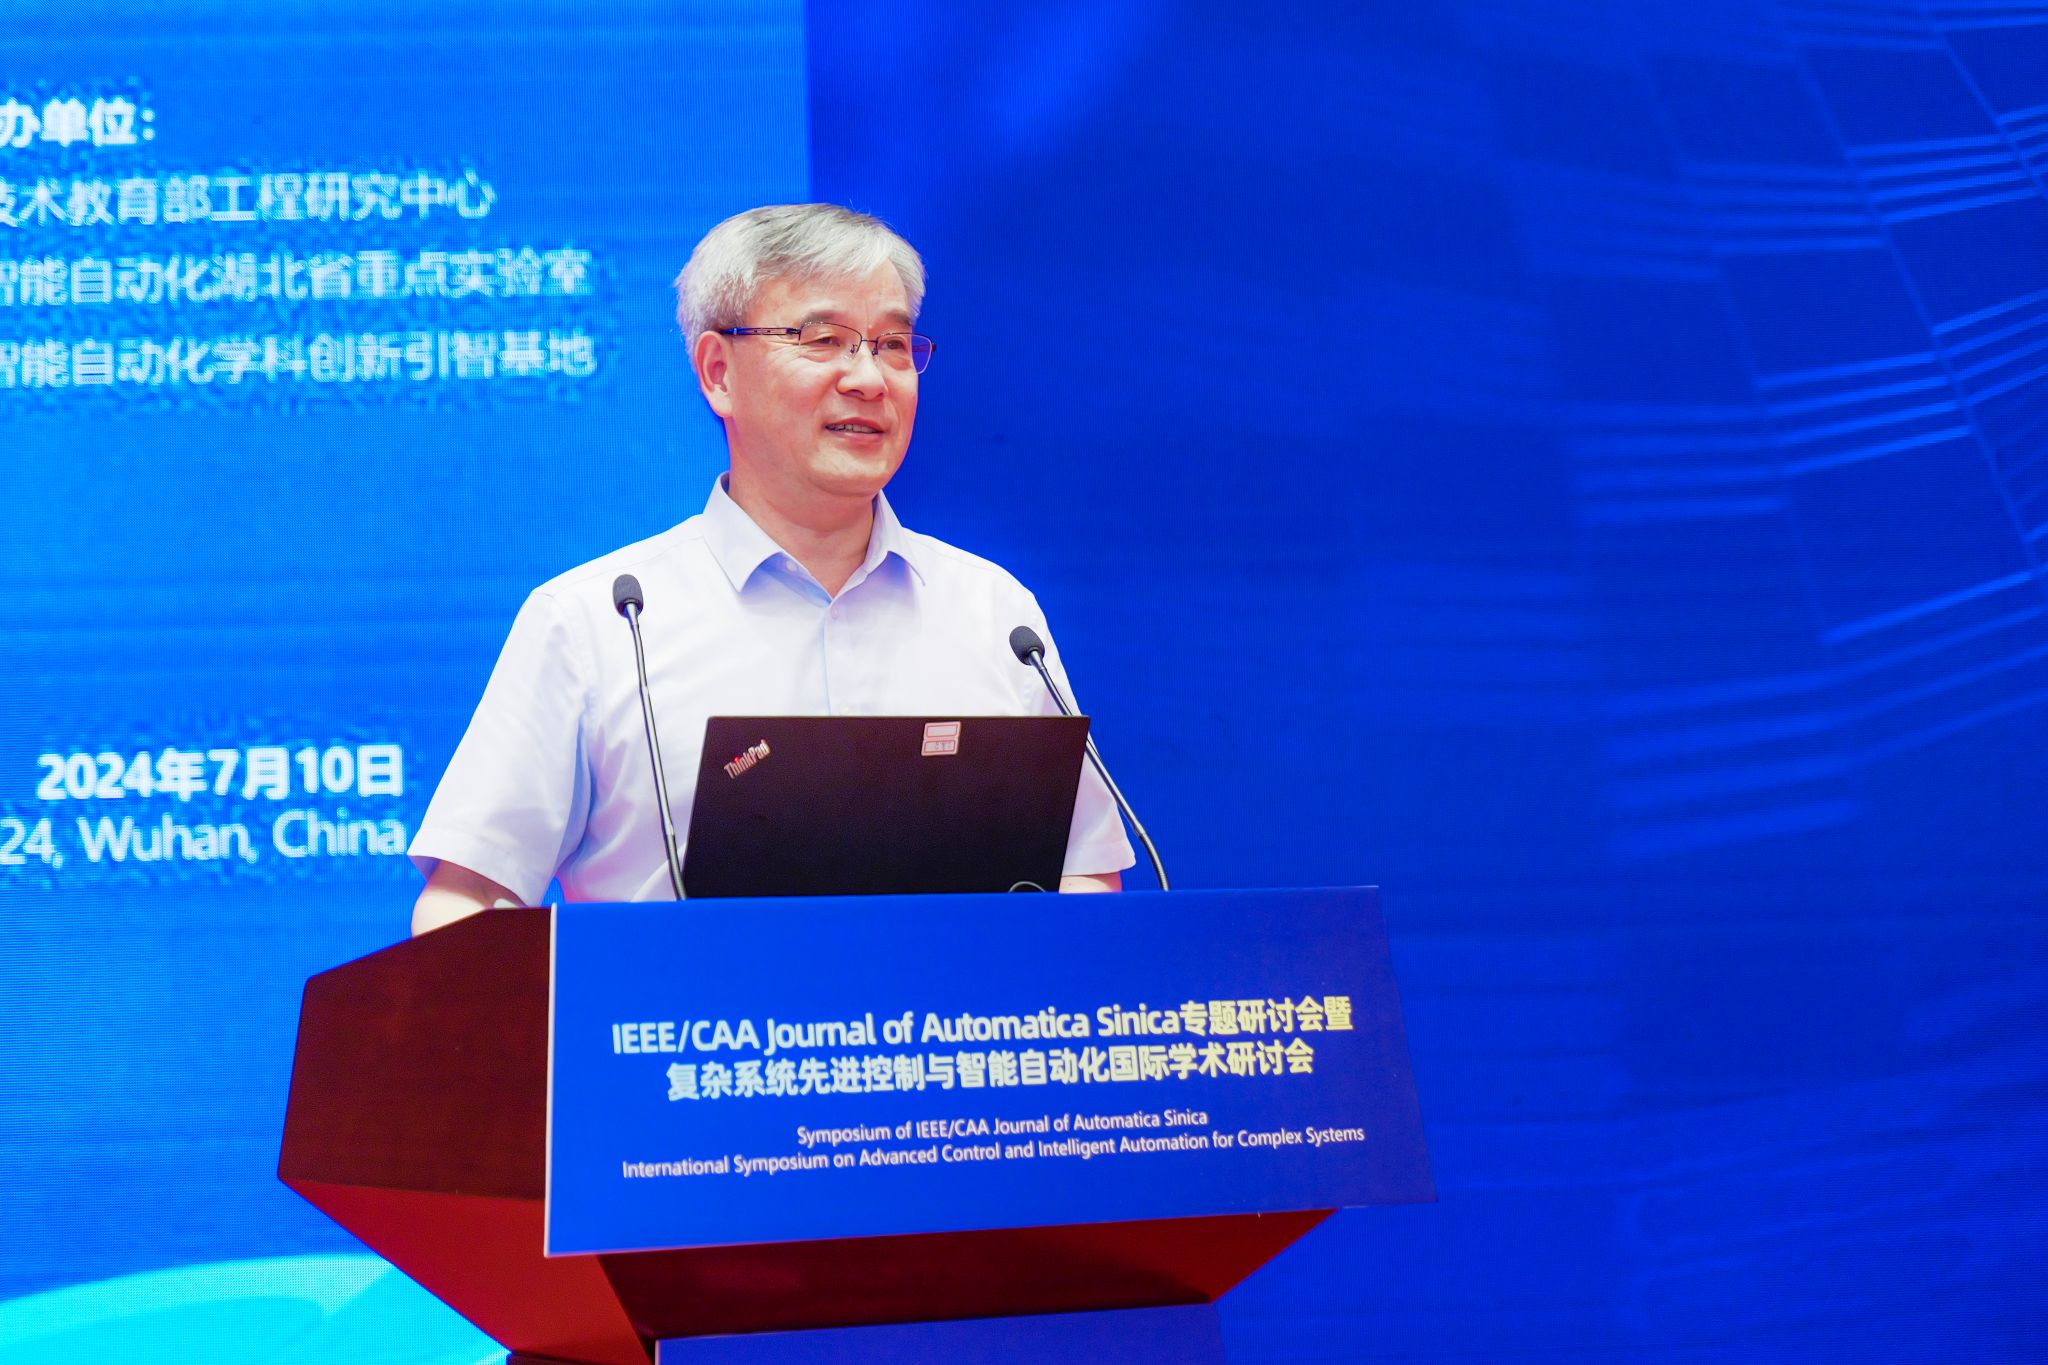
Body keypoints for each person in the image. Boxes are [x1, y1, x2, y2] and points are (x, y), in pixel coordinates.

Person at [408, 204, 1133, 935]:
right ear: (718, 372)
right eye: (823, 340)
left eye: (891, 344)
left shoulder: (994, 614)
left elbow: (1083, 872)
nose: (869, 378)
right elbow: (463, 901)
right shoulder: (600, 622)